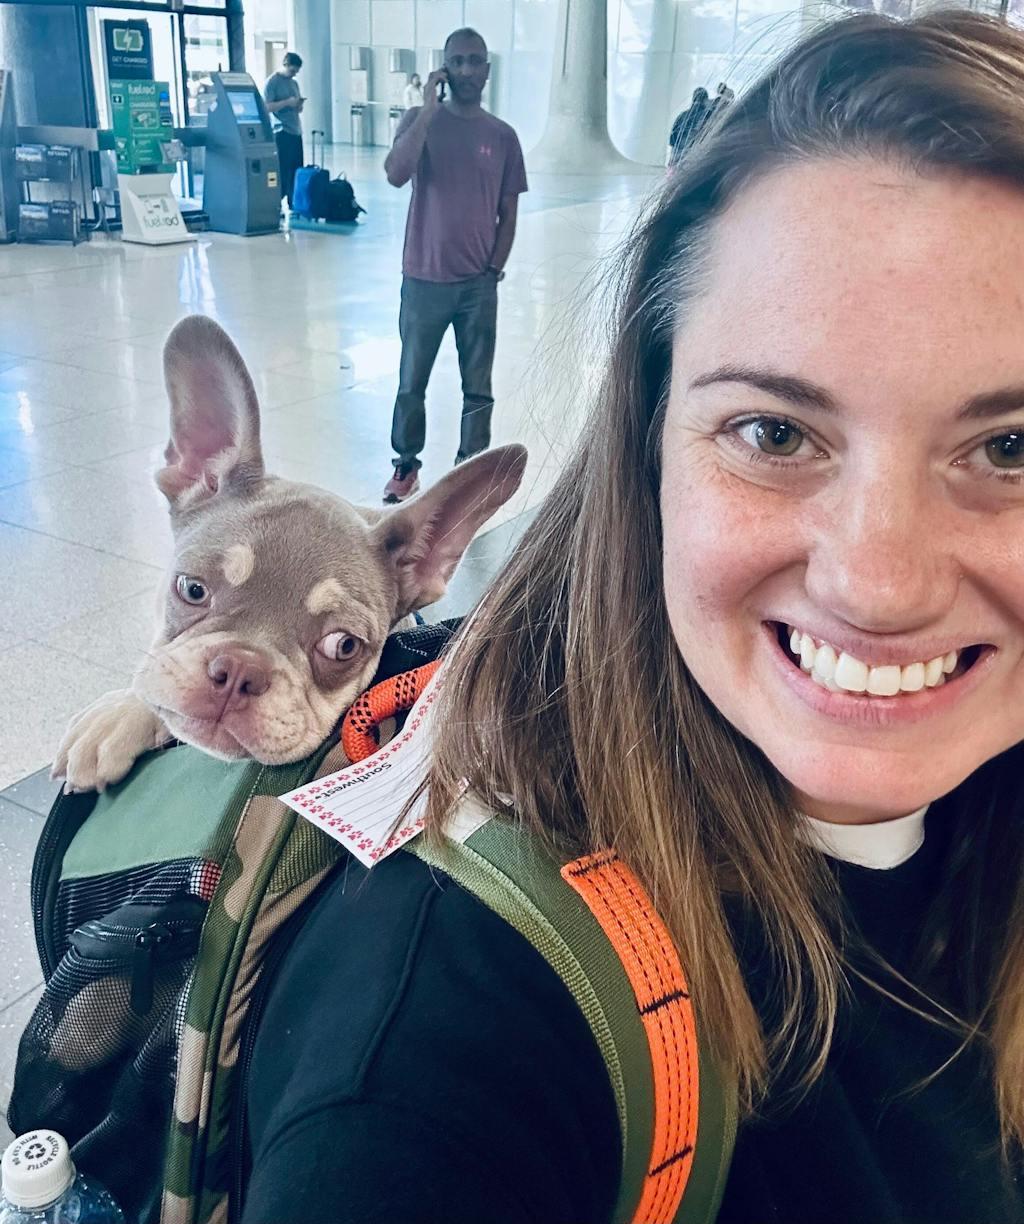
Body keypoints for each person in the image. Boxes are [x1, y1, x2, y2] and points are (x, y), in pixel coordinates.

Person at [239, 12, 1024, 1222]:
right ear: (646, 445)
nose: (878, 585)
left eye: (1009, 448)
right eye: (773, 433)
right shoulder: (444, 1045)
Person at [381, 27, 528, 504]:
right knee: (411, 382)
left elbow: (509, 212)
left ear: (487, 70)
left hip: (477, 287)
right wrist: (427, 108)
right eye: (457, 61)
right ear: (444, 68)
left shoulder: (503, 137)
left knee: (477, 387)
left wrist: (493, 269)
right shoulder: (419, 121)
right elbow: (395, 173)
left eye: (474, 61)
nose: (466, 70)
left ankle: (470, 469)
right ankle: (406, 465)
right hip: (423, 279)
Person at [263, 52, 304, 209]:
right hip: (281, 131)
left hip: (295, 130)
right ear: (285, 65)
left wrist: (298, 105)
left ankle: (294, 202)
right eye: (292, 70)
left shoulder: (294, 84)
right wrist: (287, 102)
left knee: (296, 169)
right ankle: (276, 201)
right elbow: (267, 107)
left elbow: (297, 106)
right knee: (282, 169)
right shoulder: (272, 82)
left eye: (296, 72)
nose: (294, 74)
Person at [667, 86, 710, 166]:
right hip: (696, 159)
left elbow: (673, 140)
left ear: (693, 99)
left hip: (678, 158)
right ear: (705, 100)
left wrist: (672, 159)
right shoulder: (708, 115)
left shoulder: (681, 116)